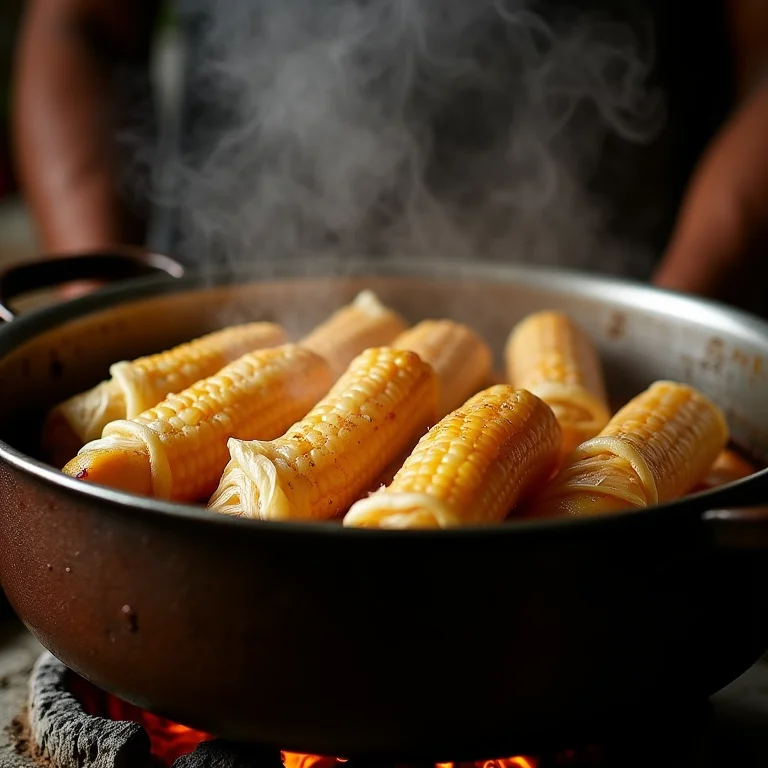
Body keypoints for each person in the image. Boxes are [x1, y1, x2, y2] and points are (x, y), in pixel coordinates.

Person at [11, 0, 768, 312]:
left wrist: (671, 328)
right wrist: (103, 306)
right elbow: (82, 26)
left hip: (622, 292)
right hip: (223, 307)